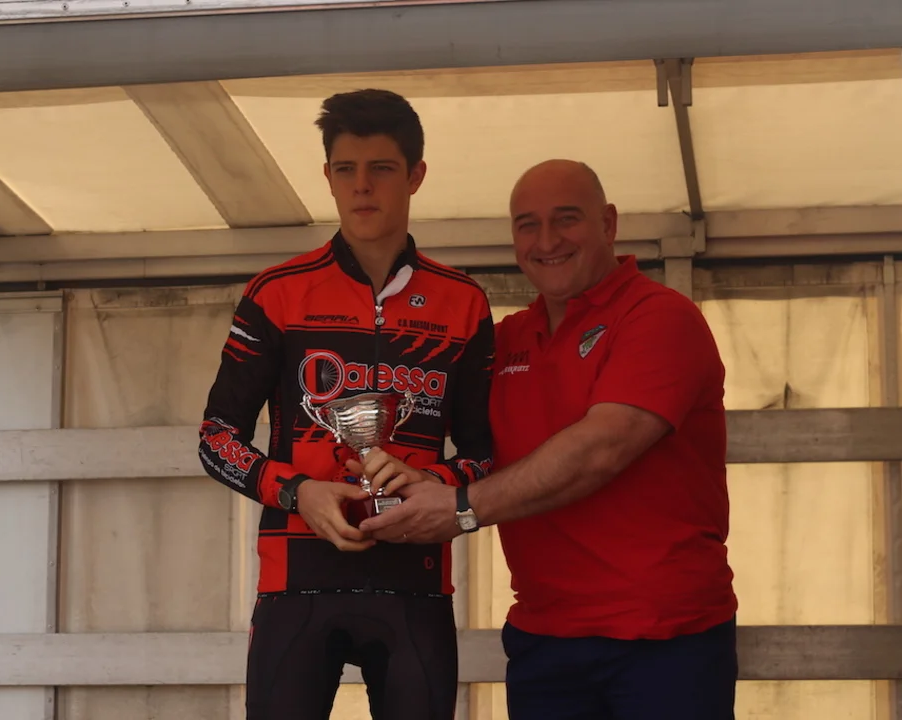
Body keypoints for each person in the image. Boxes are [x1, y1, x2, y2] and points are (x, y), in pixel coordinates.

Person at [356, 159, 739, 719]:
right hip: (546, 639)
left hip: (664, 635)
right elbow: (471, 447)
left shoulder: (659, 317)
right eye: (527, 225)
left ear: (608, 223)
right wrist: (417, 479)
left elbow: (602, 449)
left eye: (566, 219)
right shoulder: (508, 338)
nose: (547, 241)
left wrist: (461, 508)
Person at [198, 88, 495, 720]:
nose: (362, 186)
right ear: (328, 177)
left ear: (415, 175)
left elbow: (488, 453)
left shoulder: (464, 302)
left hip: (415, 580)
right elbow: (216, 438)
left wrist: (433, 484)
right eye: (345, 169)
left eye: (381, 168)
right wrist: (297, 491)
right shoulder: (277, 293)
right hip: (295, 578)